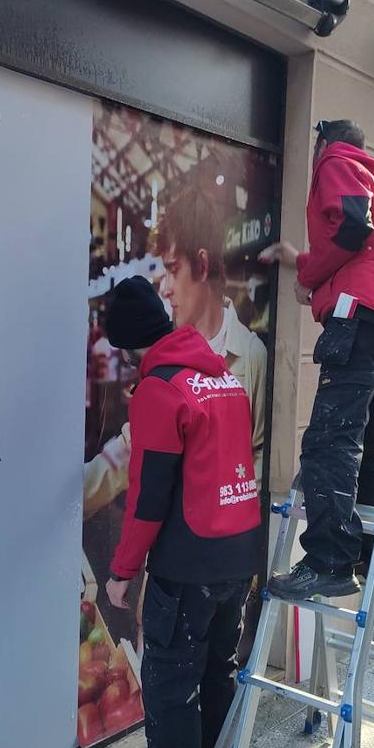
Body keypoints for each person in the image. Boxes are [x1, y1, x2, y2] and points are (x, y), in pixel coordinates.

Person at [101, 276, 261, 748]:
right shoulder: (226, 381)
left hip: (188, 567)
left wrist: (122, 572)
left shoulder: (158, 391)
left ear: (129, 348)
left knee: (171, 692)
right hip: (239, 558)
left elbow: (148, 500)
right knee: (217, 677)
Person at [259, 119, 374, 598]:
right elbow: (358, 237)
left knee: (329, 441)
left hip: (364, 317)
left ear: (322, 144)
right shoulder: (373, 180)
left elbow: (353, 227)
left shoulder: (336, 162)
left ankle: (330, 561)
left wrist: (309, 275)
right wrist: (306, 264)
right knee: (368, 442)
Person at [83, 189, 267, 519]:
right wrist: (71, 499)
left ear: (203, 264)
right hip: (172, 551)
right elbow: (133, 446)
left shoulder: (251, 356)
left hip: (224, 551)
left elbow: (259, 456)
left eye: (173, 270)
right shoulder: (165, 357)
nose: (165, 288)